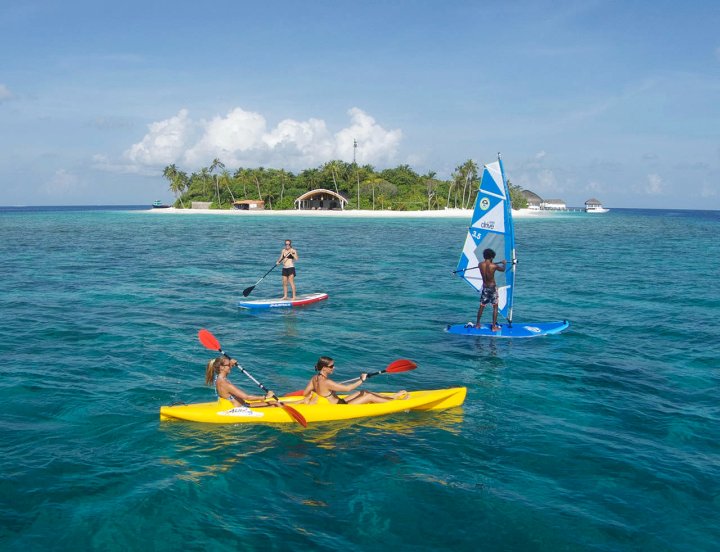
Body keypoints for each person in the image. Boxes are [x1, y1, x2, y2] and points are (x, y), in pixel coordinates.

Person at [301, 356, 407, 404]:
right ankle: (395, 402)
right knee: (369, 396)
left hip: (339, 401)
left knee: (364, 392)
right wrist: (362, 380)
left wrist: (314, 393)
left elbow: (305, 393)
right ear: (324, 368)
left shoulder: (314, 378)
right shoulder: (327, 382)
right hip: (340, 407)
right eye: (331, 366)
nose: (334, 367)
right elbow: (348, 389)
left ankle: (391, 396)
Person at [205, 357, 275, 408]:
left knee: (274, 402)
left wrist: (231, 364)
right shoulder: (225, 384)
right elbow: (247, 397)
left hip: (241, 405)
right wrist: (265, 397)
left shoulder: (219, 379)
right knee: (275, 404)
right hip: (242, 409)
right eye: (228, 365)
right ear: (221, 367)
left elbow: (226, 370)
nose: (230, 366)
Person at [472, 248, 507, 331]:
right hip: (492, 288)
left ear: (484, 256)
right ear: (491, 257)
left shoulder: (480, 264)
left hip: (485, 288)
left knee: (482, 306)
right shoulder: (494, 266)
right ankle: (494, 327)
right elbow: (503, 269)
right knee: (495, 306)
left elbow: (486, 265)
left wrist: (491, 263)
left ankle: (477, 324)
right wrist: (504, 263)